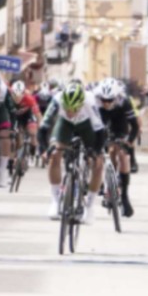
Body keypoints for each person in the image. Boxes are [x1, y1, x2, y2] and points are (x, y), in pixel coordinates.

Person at [45, 80, 106, 224]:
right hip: (65, 124)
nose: (71, 112)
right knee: (54, 155)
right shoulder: (57, 99)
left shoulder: (90, 101)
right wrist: (45, 148)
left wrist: (95, 151)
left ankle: (90, 206)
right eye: (67, 108)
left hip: (87, 126)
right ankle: (55, 201)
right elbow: (44, 126)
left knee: (98, 163)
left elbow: (100, 131)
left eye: (74, 108)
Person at [95, 77, 137, 218]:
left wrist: (129, 141)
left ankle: (124, 196)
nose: (106, 103)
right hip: (101, 121)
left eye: (110, 100)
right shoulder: (95, 101)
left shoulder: (124, 102)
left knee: (122, 154)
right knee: (98, 153)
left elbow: (135, 126)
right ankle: (104, 184)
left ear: (116, 97)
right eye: (103, 100)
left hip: (119, 123)